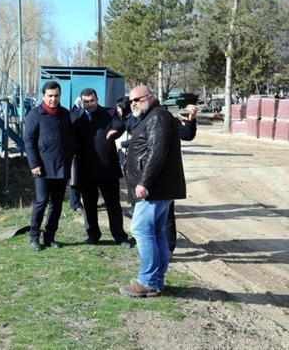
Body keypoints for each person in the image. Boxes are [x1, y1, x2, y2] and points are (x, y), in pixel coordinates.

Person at [119, 85, 186, 298]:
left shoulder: (157, 118)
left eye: (137, 100)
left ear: (149, 97)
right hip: (158, 188)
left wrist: (144, 183)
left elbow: (156, 154)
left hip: (154, 189)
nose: (133, 104)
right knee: (157, 233)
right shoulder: (154, 117)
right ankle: (156, 280)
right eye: (131, 101)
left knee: (140, 230)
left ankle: (147, 280)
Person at [113, 103, 197, 252]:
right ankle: (153, 248)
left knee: (166, 216)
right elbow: (136, 135)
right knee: (146, 217)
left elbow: (187, 134)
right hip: (142, 173)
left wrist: (191, 120)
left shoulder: (165, 119)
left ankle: (168, 250)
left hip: (163, 176)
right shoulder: (139, 118)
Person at [71, 88, 131, 248]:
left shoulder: (109, 113)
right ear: (81, 102)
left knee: (113, 204)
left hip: (107, 168)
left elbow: (121, 122)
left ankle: (120, 236)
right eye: (86, 101)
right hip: (85, 169)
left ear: (97, 99)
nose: (90, 104)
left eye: (92, 100)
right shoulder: (76, 117)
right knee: (89, 205)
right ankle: (93, 235)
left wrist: (115, 130)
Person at [24, 81, 75, 251]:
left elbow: (69, 137)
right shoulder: (34, 115)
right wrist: (34, 164)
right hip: (42, 168)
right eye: (50, 96)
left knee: (57, 204)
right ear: (43, 96)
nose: (53, 99)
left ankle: (50, 236)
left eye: (56, 96)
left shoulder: (65, 114)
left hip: (61, 167)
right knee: (41, 201)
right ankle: (34, 237)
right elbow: (29, 141)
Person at [69, 97, 84, 212]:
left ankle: (78, 202)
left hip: (84, 151)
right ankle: (75, 203)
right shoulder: (72, 115)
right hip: (74, 152)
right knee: (75, 179)